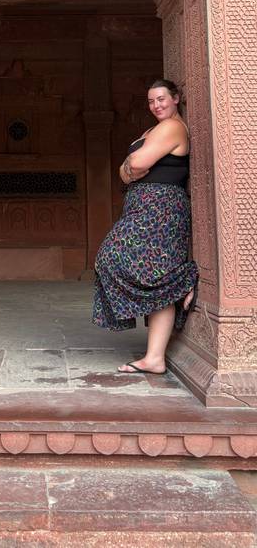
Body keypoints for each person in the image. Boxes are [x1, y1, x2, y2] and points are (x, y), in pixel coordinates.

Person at [92, 79, 198, 375]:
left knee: (111, 255)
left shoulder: (172, 127)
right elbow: (127, 171)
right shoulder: (154, 130)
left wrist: (130, 168)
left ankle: (185, 278)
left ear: (176, 98)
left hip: (160, 209)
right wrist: (130, 169)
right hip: (145, 207)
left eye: (162, 99)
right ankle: (154, 358)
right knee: (155, 278)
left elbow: (135, 165)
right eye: (152, 101)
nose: (157, 105)